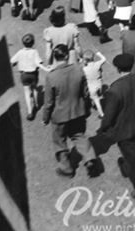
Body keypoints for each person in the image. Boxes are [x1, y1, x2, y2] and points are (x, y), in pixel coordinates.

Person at [94, 53, 135, 201]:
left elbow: (109, 116)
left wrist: (103, 129)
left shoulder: (114, 89)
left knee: (133, 163)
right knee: (134, 151)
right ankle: (128, 163)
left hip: (124, 131)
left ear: (117, 69)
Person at [40, 43, 96, 177]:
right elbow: (86, 93)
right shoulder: (79, 70)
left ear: (55, 57)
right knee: (79, 136)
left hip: (59, 116)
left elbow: (48, 102)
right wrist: (87, 109)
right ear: (67, 55)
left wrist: (45, 118)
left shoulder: (51, 77)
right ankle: (89, 158)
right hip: (78, 111)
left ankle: (66, 168)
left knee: (60, 141)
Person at [11, 33, 49, 119]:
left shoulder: (20, 52)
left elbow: (12, 61)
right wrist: (44, 67)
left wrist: (16, 63)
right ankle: (36, 104)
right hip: (33, 74)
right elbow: (39, 62)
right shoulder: (34, 52)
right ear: (33, 43)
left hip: (24, 75)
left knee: (27, 92)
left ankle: (30, 111)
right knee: (35, 89)